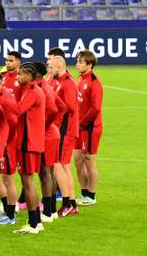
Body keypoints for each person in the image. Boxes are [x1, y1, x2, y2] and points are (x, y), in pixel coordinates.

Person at [0, 62, 45, 234]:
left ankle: (34, 223)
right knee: (27, 182)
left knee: (27, 183)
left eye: (20, 74)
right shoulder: (29, 89)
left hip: (28, 143)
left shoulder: (33, 92)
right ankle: (35, 221)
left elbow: (18, 109)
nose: (17, 77)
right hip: (28, 141)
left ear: (29, 75)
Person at [47, 52, 80, 216]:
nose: (49, 69)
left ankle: (67, 203)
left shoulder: (67, 83)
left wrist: (56, 122)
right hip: (64, 128)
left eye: (51, 67)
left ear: (60, 66)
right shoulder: (61, 81)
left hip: (65, 130)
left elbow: (70, 108)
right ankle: (72, 203)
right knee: (64, 166)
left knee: (58, 165)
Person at [74, 49, 103, 206]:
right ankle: (84, 193)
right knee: (78, 160)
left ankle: (91, 195)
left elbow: (95, 108)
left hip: (90, 127)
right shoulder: (80, 79)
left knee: (89, 161)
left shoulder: (94, 82)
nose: (77, 64)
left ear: (89, 64)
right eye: (77, 60)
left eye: (80, 61)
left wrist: (82, 122)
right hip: (79, 127)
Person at [0, 72, 19, 226]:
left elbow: (13, 121)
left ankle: (10, 215)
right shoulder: (2, 95)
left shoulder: (3, 97)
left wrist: (6, 140)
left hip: (8, 144)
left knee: (8, 179)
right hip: (3, 143)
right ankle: (7, 210)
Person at [38, 61, 65, 223]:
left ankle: (48, 211)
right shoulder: (46, 85)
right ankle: (52, 209)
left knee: (45, 172)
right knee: (49, 170)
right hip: (52, 133)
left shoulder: (41, 88)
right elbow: (61, 107)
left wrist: (46, 125)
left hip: (46, 135)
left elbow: (56, 109)